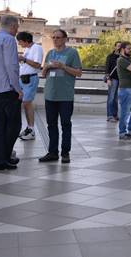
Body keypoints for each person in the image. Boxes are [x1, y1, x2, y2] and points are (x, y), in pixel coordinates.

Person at [0, 15, 23, 171]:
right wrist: (17, 88)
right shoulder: (9, 40)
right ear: (13, 26)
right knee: (14, 125)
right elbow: (12, 66)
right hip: (7, 88)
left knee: (0, 126)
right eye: (17, 27)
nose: (17, 30)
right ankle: (4, 158)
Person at [39, 29, 82, 163]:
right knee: (51, 124)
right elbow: (43, 74)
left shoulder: (72, 53)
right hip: (50, 94)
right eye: (54, 37)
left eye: (58, 37)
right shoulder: (50, 53)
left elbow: (78, 73)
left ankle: (65, 153)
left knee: (65, 124)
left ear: (65, 39)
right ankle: (52, 152)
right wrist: (46, 67)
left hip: (65, 96)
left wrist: (63, 66)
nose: (55, 40)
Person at [16, 31, 43, 141]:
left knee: (26, 103)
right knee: (26, 103)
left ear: (26, 40)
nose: (19, 44)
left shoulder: (37, 47)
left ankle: (31, 130)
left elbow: (37, 64)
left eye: (20, 41)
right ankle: (28, 128)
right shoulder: (28, 49)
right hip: (23, 79)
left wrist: (24, 59)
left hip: (30, 79)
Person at [104, 41, 121, 122]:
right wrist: (108, 78)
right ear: (115, 47)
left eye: (120, 46)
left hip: (120, 79)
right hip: (112, 79)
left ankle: (115, 114)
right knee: (111, 97)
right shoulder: (110, 56)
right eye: (118, 46)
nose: (119, 48)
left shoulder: (122, 57)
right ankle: (110, 115)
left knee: (116, 98)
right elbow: (107, 68)